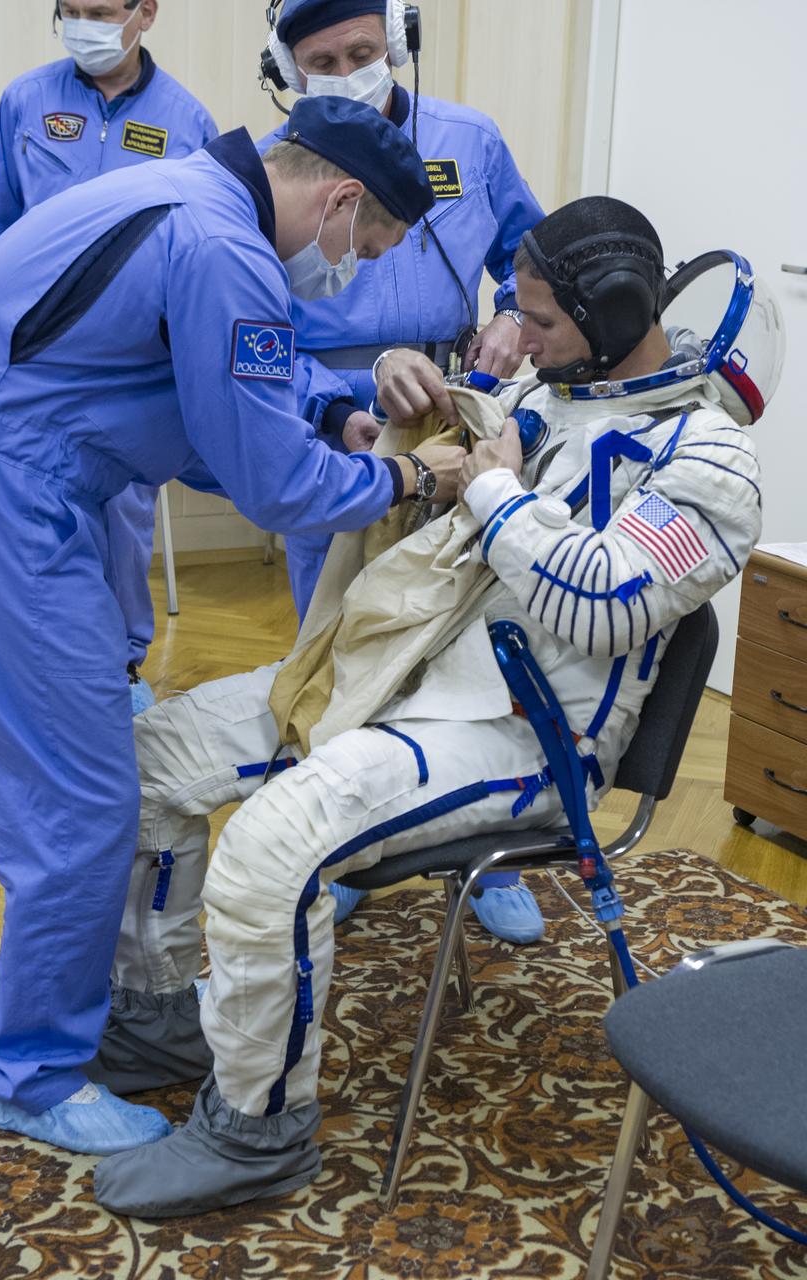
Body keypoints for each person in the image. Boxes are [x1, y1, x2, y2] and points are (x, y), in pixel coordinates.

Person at [90, 195, 776, 1217]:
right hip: (409, 678)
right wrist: (407, 398)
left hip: (523, 737)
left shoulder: (708, 463)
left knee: (275, 845)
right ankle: (160, 1017)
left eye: (537, 317)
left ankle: (258, 1129)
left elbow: (599, 602)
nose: (519, 334)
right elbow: (454, 468)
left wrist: (496, 493)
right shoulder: (553, 399)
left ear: (617, 307)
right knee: (153, 756)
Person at [0, 94, 462, 1155]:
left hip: (22, 475)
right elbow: (268, 482)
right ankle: (29, 1071)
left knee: (78, 777)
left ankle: (98, 1018)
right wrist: (404, 474)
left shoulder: (187, 197)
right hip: (18, 500)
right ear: (340, 198)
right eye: (366, 245)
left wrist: (329, 405)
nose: (347, 267)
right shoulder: (225, 245)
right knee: (80, 796)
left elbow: (210, 383)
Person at [258, 0, 547, 941]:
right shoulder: (287, 170)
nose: (346, 70)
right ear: (288, 68)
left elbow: (529, 259)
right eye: (322, 60)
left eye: (363, 52)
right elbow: (258, 338)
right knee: (343, 635)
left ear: (399, 40)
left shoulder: (470, 138)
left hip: (456, 398)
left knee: (464, 630)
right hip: (339, 417)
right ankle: (340, 846)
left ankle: (481, 844)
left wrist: (513, 313)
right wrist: (345, 398)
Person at [0, 0, 218, 723]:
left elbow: (201, 242)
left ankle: (117, 664)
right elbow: (4, 222)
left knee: (119, 512)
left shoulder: (189, 121)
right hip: (29, 354)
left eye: (103, 10)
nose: (85, 23)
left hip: (129, 364)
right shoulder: (24, 101)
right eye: (72, 10)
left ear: (145, 12)